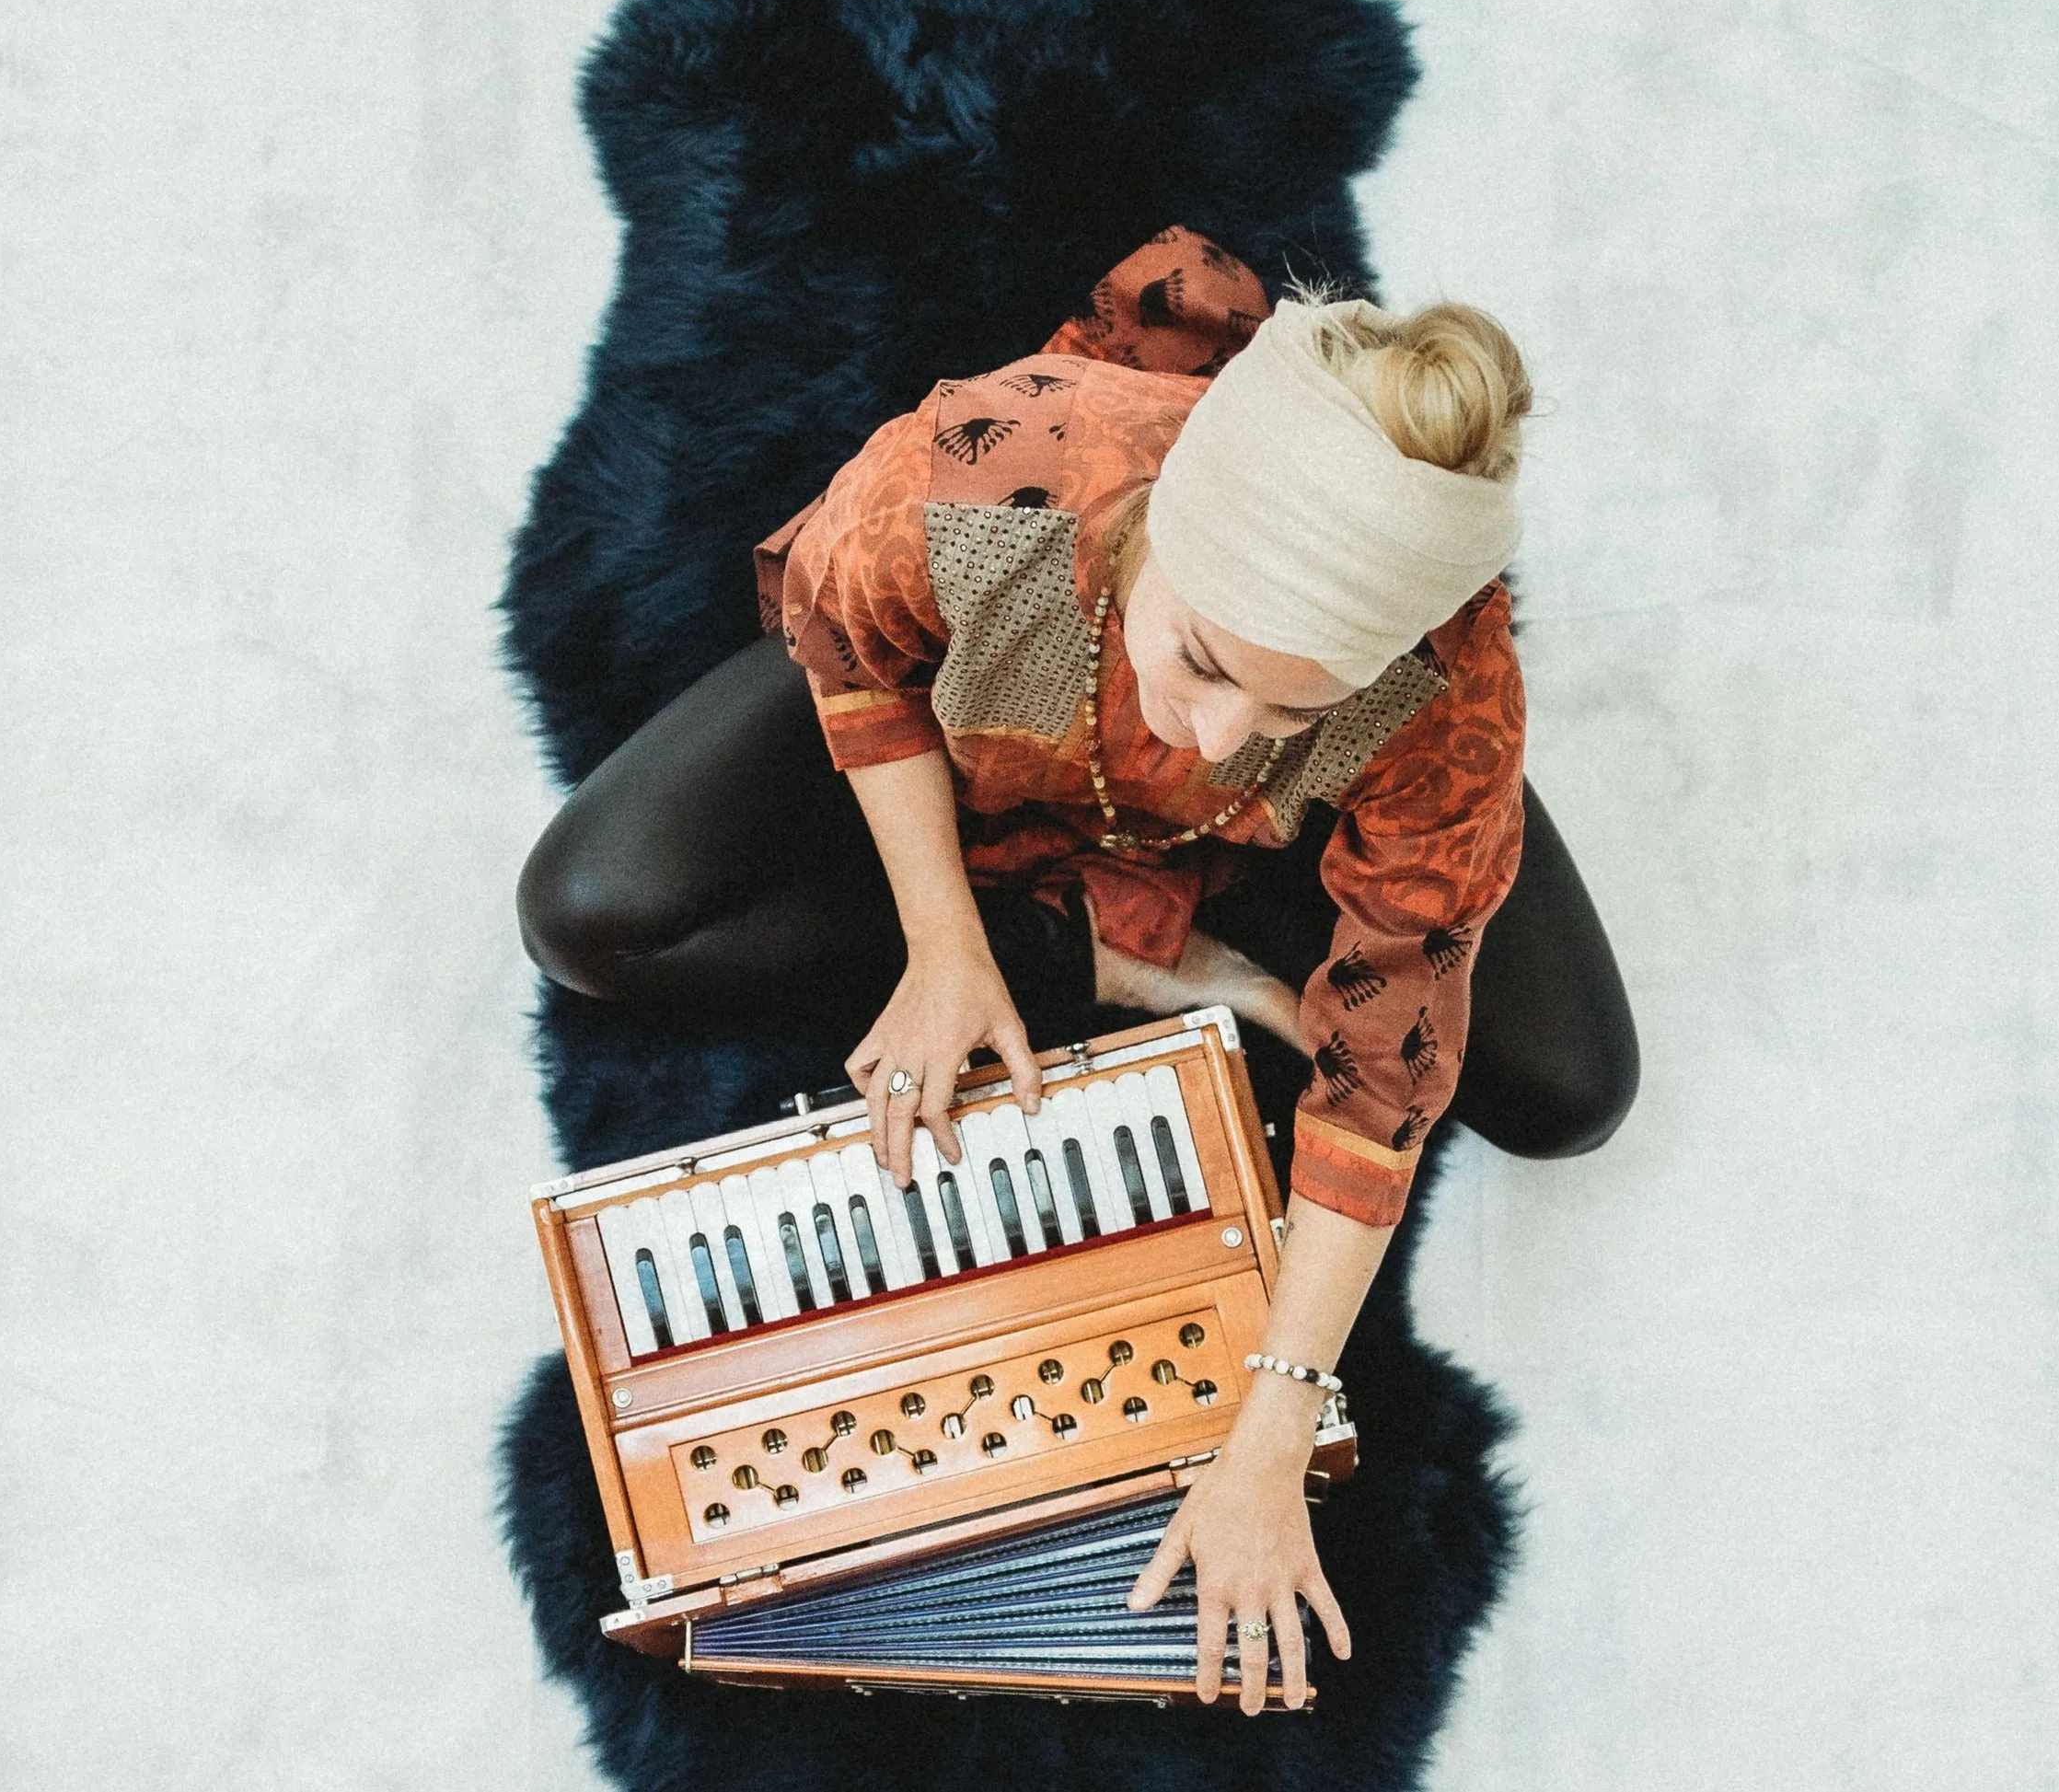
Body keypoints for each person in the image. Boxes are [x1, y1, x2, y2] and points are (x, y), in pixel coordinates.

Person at [518, 225, 1638, 1716]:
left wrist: (1270, 1429)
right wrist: (944, 941)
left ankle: (1225, 905)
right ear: (1156, 532)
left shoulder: (1443, 699)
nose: (1224, 734)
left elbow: (1383, 1081)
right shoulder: (1003, 465)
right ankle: (1100, 957)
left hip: (1269, 847)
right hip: (999, 729)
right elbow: (854, 647)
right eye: (1211, 659)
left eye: (1296, 700)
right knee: (588, 909)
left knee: (1567, 1090)